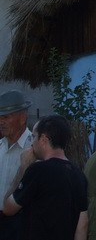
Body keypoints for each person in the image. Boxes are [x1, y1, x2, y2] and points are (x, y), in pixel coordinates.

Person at [3, 114, 89, 240]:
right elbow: (82, 224)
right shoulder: (79, 175)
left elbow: (8, 208)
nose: (32, 143)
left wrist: (23, 168)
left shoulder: (38, 171)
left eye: (34, 137)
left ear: (43, 139)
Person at [0, 90, 33, 240]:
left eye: (6, 117)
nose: (1, 122)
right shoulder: (0, 147)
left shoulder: (34, 148)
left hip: (23, 222)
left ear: (22, 118)